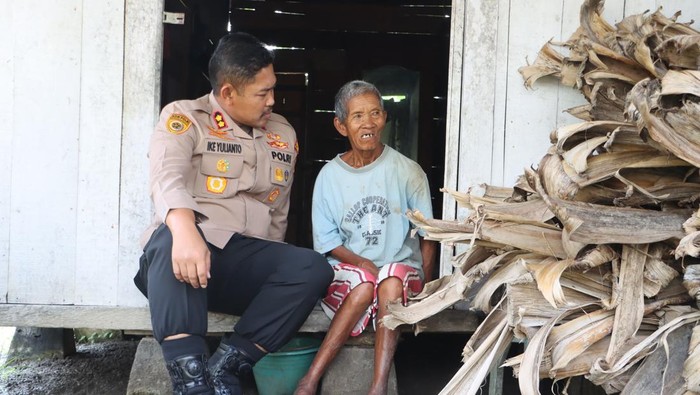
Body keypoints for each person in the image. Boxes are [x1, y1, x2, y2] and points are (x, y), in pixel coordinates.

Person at [133, 32, 334, 395]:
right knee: (168, 238)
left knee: (312, 268)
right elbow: (166, 178)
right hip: (180, 260)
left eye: (273, 89)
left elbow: (278, 214)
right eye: (262, 93)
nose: (272, 100)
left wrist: (271, 272)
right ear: (228, 93)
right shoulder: (184, 118)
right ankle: (193, 385)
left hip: (239, 264)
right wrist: (186, 231)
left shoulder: (282, 133)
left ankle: (225, 368)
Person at [295, 80, 438, 395]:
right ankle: (310, 380)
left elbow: (429, 234)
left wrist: (427, 288)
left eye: (375, 113)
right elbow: (328, 242)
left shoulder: (407, 171)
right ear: (341, 125)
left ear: (385, 118)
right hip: (353, 271)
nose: (369, 123)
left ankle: (378, 388)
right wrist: (362, 262)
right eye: (358, 116)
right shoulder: (330, 177)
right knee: (363, 284)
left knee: (388, 279)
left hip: (400, 276)